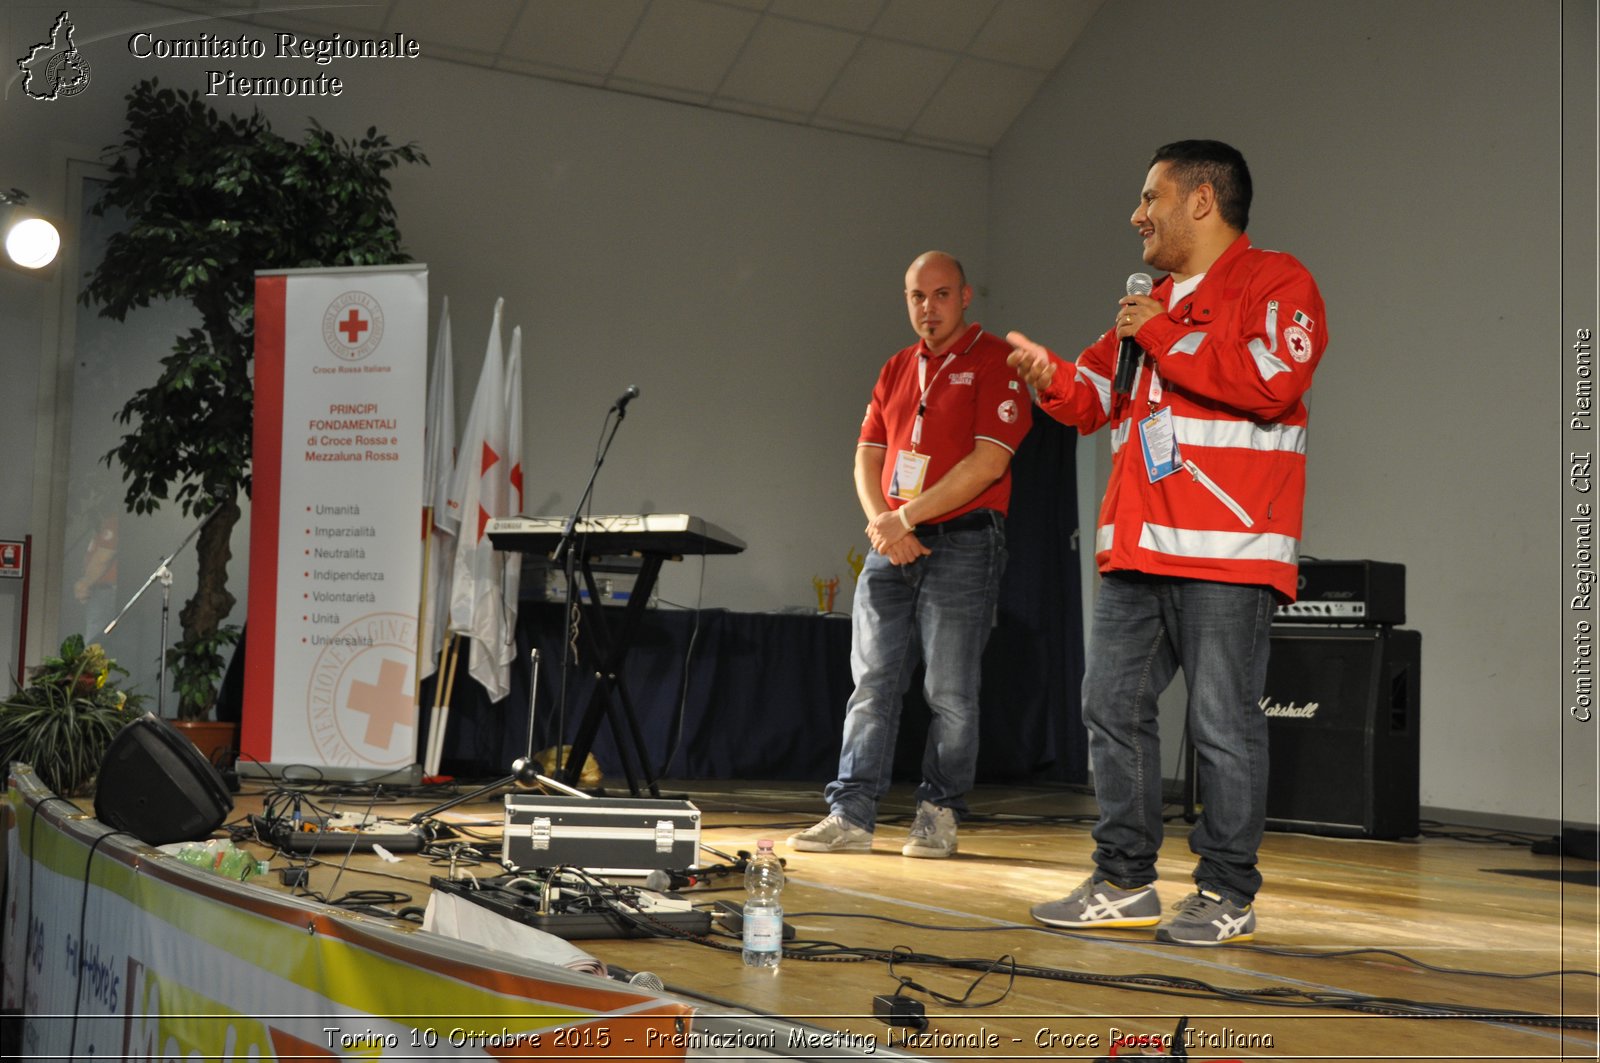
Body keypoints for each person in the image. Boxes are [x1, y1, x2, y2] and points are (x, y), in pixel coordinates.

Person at [1008, 141, 1327, 944]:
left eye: (1150, 196)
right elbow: (1097, 400)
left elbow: (1270, 380)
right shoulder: (1146, 304)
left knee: (1221, 723)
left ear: (1202, 200)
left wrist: (1161, 335)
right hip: (1138, 551)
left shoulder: (1275, 282)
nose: (1136, 214)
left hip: (1227, 549)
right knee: (1108, 705)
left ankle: (1226, 891)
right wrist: (1050, 376)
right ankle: (1124, 879)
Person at [789, 251, 1032, 859]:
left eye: (941, 295)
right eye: (916, 297)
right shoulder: (898, 366)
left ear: (966, 296)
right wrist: (883, 523)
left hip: (967, 542)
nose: (928, 308)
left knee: (949, 690)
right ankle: (851, 814)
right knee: (871, 682)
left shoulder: (995, 359)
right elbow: (867, 455)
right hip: (892, 544)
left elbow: (989, 461)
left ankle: (938, 810)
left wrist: (905, 517)